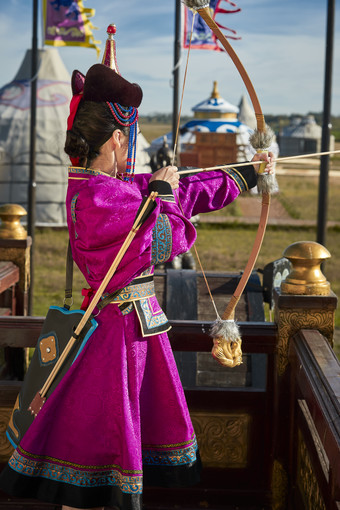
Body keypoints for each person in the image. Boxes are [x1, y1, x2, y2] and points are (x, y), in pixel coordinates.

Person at [0, 26, 275, 510]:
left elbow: (189, 190)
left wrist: (251, 173)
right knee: (100, 448)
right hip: (116, 337)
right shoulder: (92, 195)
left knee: (117, 442)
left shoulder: (117, 185)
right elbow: (167, 239)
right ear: (108, 142)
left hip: (138, 332)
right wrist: (163, 197)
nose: (129, 148)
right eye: (125, 139)